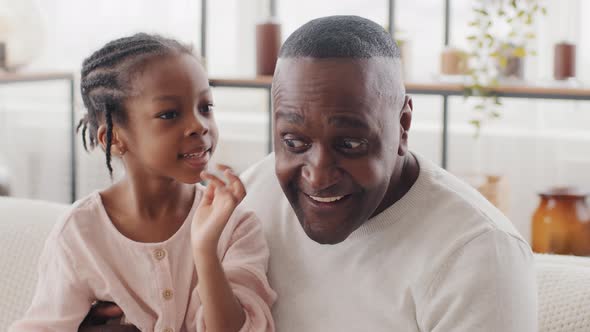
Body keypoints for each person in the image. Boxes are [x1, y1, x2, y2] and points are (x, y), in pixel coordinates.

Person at [80, 16, 538, 331]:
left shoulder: (477, 254)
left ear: (402, 126)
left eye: (350, 144)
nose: (318, 176)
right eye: (294, 143)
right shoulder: (250, 199)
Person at [9, 33, 275, 332]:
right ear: (115, 138)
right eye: (169, 114)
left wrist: (205, 248)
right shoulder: (80, 235)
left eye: (205, 107)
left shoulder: (236, 227)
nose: (199, 126)